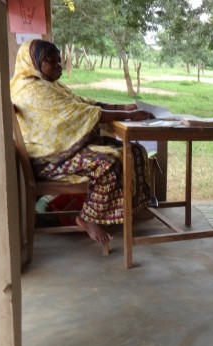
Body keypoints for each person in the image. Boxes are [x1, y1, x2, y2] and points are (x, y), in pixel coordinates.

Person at [10, 39, 154, 245]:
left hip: (63, 151)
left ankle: (132, 209)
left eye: (59, 61)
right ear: (34, 62)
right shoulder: (33, 90)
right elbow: (83, 113)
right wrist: (130, 116)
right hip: (50, 160)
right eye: (51, 61)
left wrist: (124, 107)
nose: (58, 66)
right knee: (110, 161)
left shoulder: (48, 84)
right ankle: (87, 218)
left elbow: (84, 103)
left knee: (134, 150)